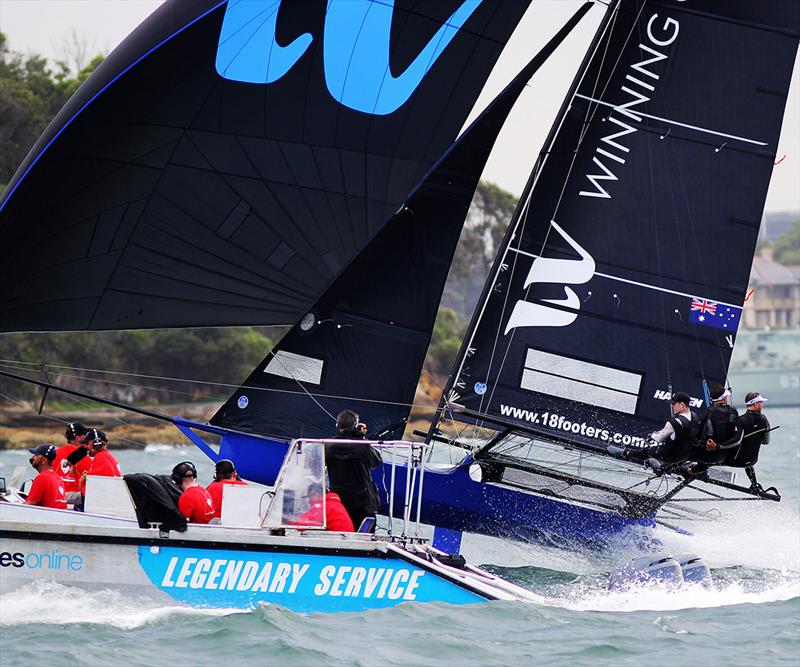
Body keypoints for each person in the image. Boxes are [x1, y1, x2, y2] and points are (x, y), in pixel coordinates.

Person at [325, 409, 382, 530]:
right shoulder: (362, 446)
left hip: (339, 500)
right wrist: (362, 437)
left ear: (337, 425)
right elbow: (376, 461)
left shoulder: (327, 445)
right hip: (362, 502)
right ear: (355, 426)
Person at [728, 392, 773, 492]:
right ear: (755, 404)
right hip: (751, 461)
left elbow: (734, 441)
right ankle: (754, 483)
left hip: (733, 461)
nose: (762, 405)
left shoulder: (740, 420)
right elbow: (766, 442)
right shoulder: (764, 420)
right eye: (761, 402)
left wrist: (718, 446)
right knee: (748, 456)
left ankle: (701, 470)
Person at [79, 429, 122, 493]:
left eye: (87, 443)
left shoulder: (100, 457)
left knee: (66, 497)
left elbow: (86, 492)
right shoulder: (106, 455)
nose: (86, 446)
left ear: (96, 444)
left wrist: (83, 477)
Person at [25, 444, 67, 510]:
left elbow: (28, 506)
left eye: (36, 455)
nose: (33, 457)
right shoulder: (58, 478)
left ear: (44, 460)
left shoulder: (42, 478)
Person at [52, 422, 88, 494]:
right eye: (85, 435)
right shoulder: (85, 457)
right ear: (78, 438)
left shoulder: (53, 454)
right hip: (75, 501)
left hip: (55, 497)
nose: (88, 437)